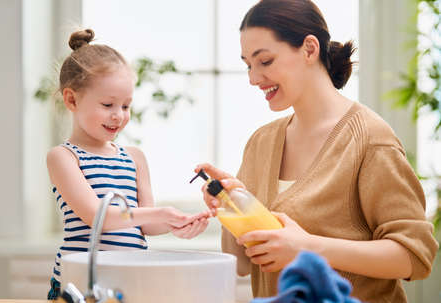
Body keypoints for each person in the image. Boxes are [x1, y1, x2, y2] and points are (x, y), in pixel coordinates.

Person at [196, 0, 439, 302]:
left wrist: (309, 247)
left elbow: (415, 256)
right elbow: (244, 266)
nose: (253, 78)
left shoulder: (370, 139)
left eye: (265, 61)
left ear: (309, 49)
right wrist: (232, 206)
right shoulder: (261, 142)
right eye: (248, 65)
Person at [47, 29, 210, 299]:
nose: (118, 116)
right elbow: (96, 215)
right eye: (108, 104)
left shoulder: (134, 157)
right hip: (80, 285)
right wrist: (161, 214)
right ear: (71, 99)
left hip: (130, 282)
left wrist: (178, 223)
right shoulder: (64, 157)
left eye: (125, 106)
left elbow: (146, 225)